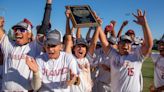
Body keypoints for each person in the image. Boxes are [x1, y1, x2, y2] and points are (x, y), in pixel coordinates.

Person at [0, 0, 52, 91]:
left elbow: (44, 26)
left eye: (22, 30)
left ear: (29, 34)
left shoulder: (34, 46)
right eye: (16, 30)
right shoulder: (9, 44)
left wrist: (48, 4)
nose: (17, 32)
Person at [99, 9, 153, 92]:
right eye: (123, 42)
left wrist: (144, 25)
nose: (125, 45)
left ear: (131, 45)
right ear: (118, 44)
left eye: (128, 43)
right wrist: (98, 25)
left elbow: (149, 45)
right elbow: (103, 41)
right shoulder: (114, 55)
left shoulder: (137, 56)